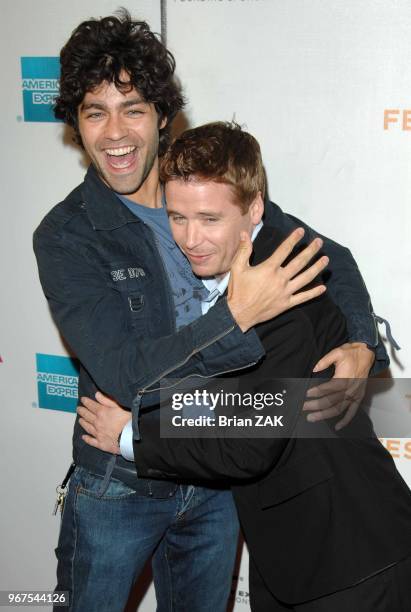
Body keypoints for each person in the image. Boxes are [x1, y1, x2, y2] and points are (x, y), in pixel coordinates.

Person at [33, 11, 387, 612]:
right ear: (75, 123)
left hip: (217, 480)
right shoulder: (68, 235)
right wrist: (236, 315)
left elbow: (332, 257)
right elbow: (125, 374)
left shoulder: (200, 185)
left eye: (134, 108)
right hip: (120, 483)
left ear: (163, 117)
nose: (115, 131)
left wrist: (359, 341)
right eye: (95, 111)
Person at [80, 121, 411, 611]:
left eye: (210, 220)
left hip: (351, 558)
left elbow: (247, 441)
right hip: (297, 552)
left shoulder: (278, 290)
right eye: (177, 217)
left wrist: (132, 435)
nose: (190, 239)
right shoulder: (248, 269)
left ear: (253, 208)